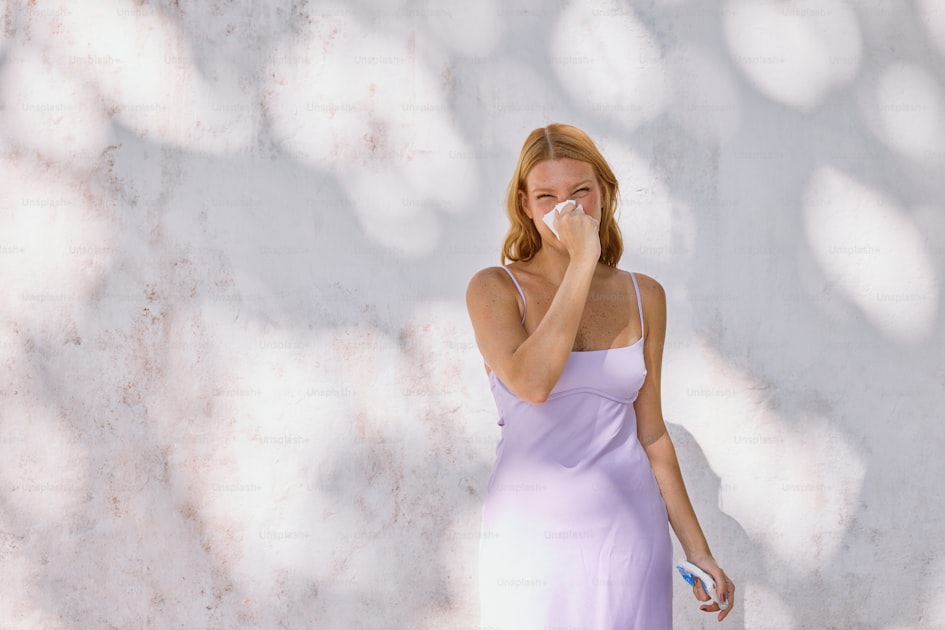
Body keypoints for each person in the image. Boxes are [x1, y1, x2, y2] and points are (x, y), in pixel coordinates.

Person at [466, 123, 734, 629]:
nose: (565, 211)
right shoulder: (493, 289)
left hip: (629, 536)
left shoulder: (644, 295)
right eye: (546, 196)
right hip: (529, 538)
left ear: (605, 194)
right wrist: (582, 262)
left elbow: (651, 435)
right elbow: (533, 383)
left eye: (580, 193)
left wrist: (700, 552)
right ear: (524, 204)